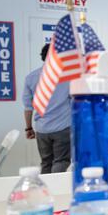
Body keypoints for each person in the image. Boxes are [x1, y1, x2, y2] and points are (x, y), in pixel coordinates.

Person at [22, 43, 71, 173]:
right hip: (63, 127)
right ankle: (56, 191)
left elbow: (28, 107)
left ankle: (45, 191)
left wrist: (28, 128)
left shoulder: (31, 77)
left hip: (42, 129)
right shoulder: (68, 77)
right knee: (61, 161)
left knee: (46, 162)